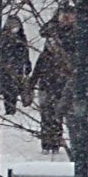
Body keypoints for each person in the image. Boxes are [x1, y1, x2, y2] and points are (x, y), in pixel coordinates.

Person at [33, 8, 77, 153]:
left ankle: (56, 141)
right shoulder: (48, 49)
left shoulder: (75, 35)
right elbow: (43, 31)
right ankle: (47, 142)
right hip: (47, 83)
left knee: (58, 113)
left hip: (63, 84)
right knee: (46, 114)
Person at [0, 16, 32, 112]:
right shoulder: (3, 37)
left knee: (15, 87)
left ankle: (14, 106)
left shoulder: (21, 37)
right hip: (6, 68)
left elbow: (25, 52)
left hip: (18, 66)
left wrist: (27, 63)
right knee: (7, 88)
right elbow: (0, 52)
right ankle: (9, 108)